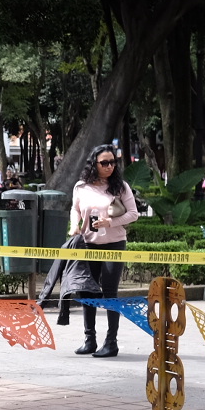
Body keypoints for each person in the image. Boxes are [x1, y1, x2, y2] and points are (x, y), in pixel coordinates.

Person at [64, 145, 139, 358]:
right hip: (88, 244)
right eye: (104, 163)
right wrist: (74, 225)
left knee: (109, 293)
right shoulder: (81, 186)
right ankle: (90, 339)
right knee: (87, 291)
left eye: (112, 162)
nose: (109, 167)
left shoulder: (120, 186)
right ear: (94, 164)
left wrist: (110, 222)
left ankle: (111, 342)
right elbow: (75, 209)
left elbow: (133, 214)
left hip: (114, 244)